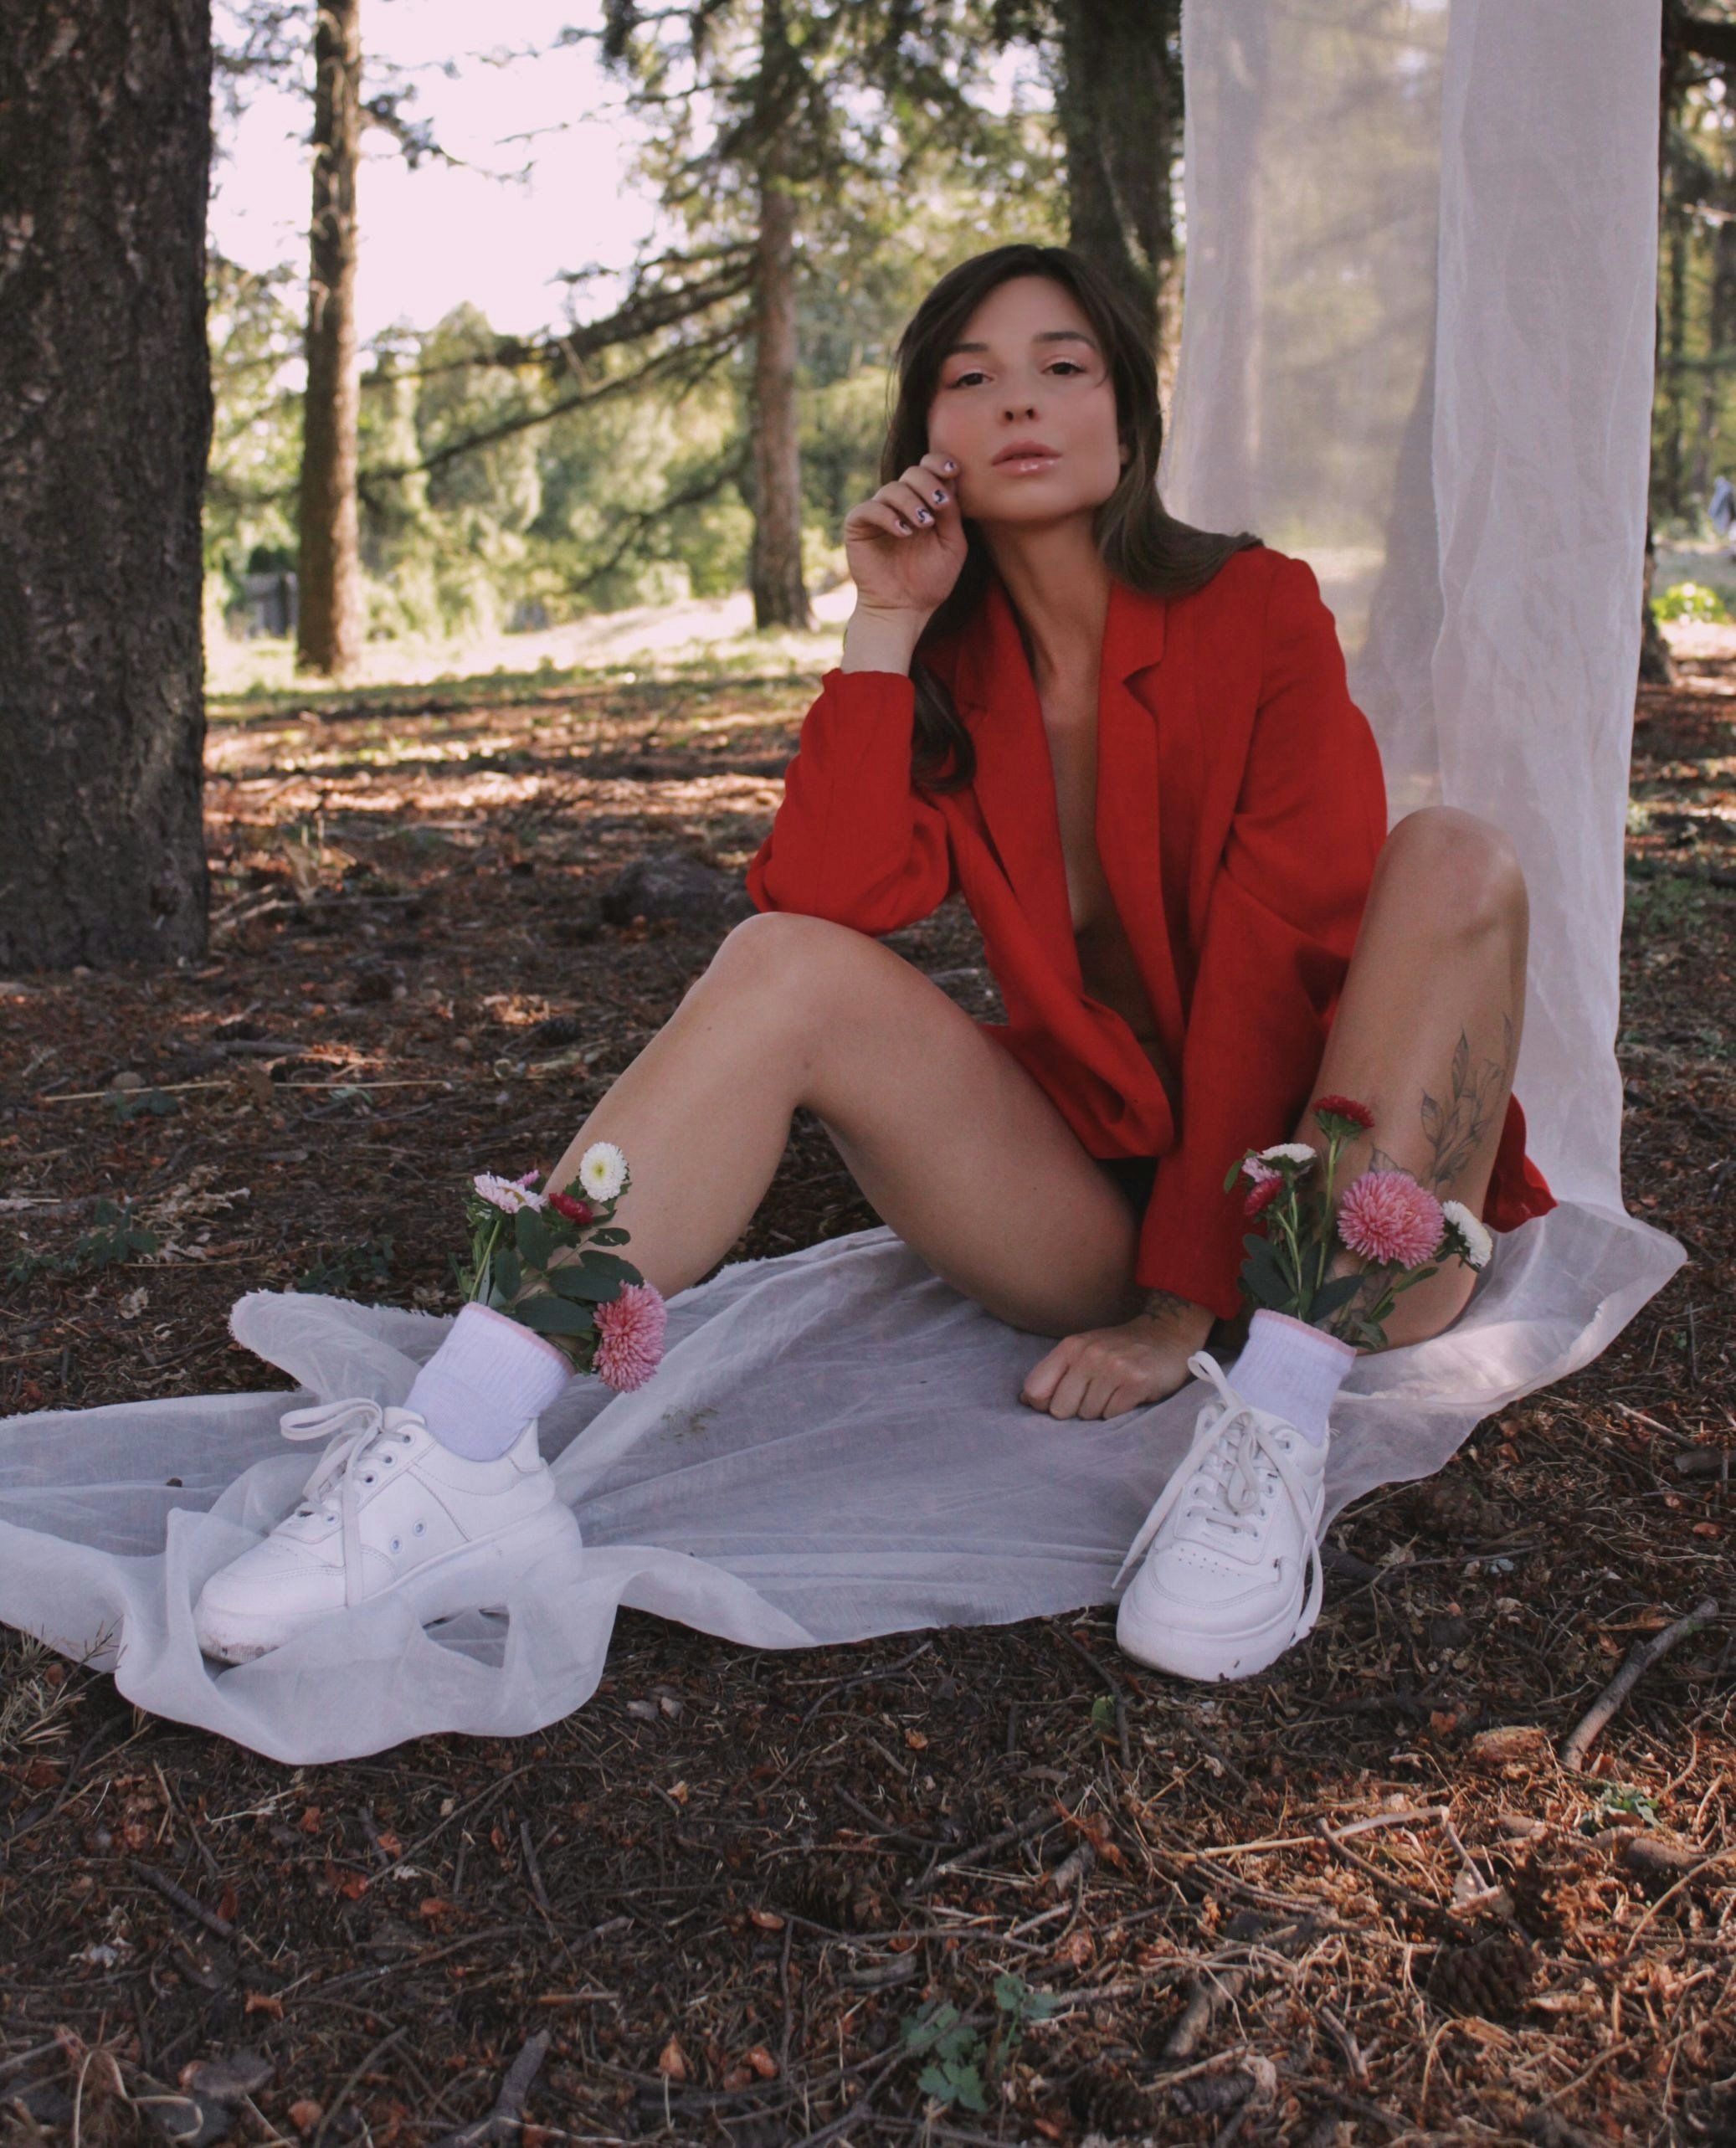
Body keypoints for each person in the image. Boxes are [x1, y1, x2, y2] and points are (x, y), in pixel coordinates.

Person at [193, 244, 1553, 1681]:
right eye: (970, 379)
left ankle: (1269, 1429)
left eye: (1060, 367)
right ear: (929, 440)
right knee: (780, 960)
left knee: (1455, 852)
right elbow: (828, 896)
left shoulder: (1256, 611)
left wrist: (1182, 1313)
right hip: (1090, 1207)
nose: (1017, 402)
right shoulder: (947, 669)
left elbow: (1281, 965)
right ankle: (461, 1445)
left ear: (1126, 418)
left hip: (1348, 1219)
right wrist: (885, 624)